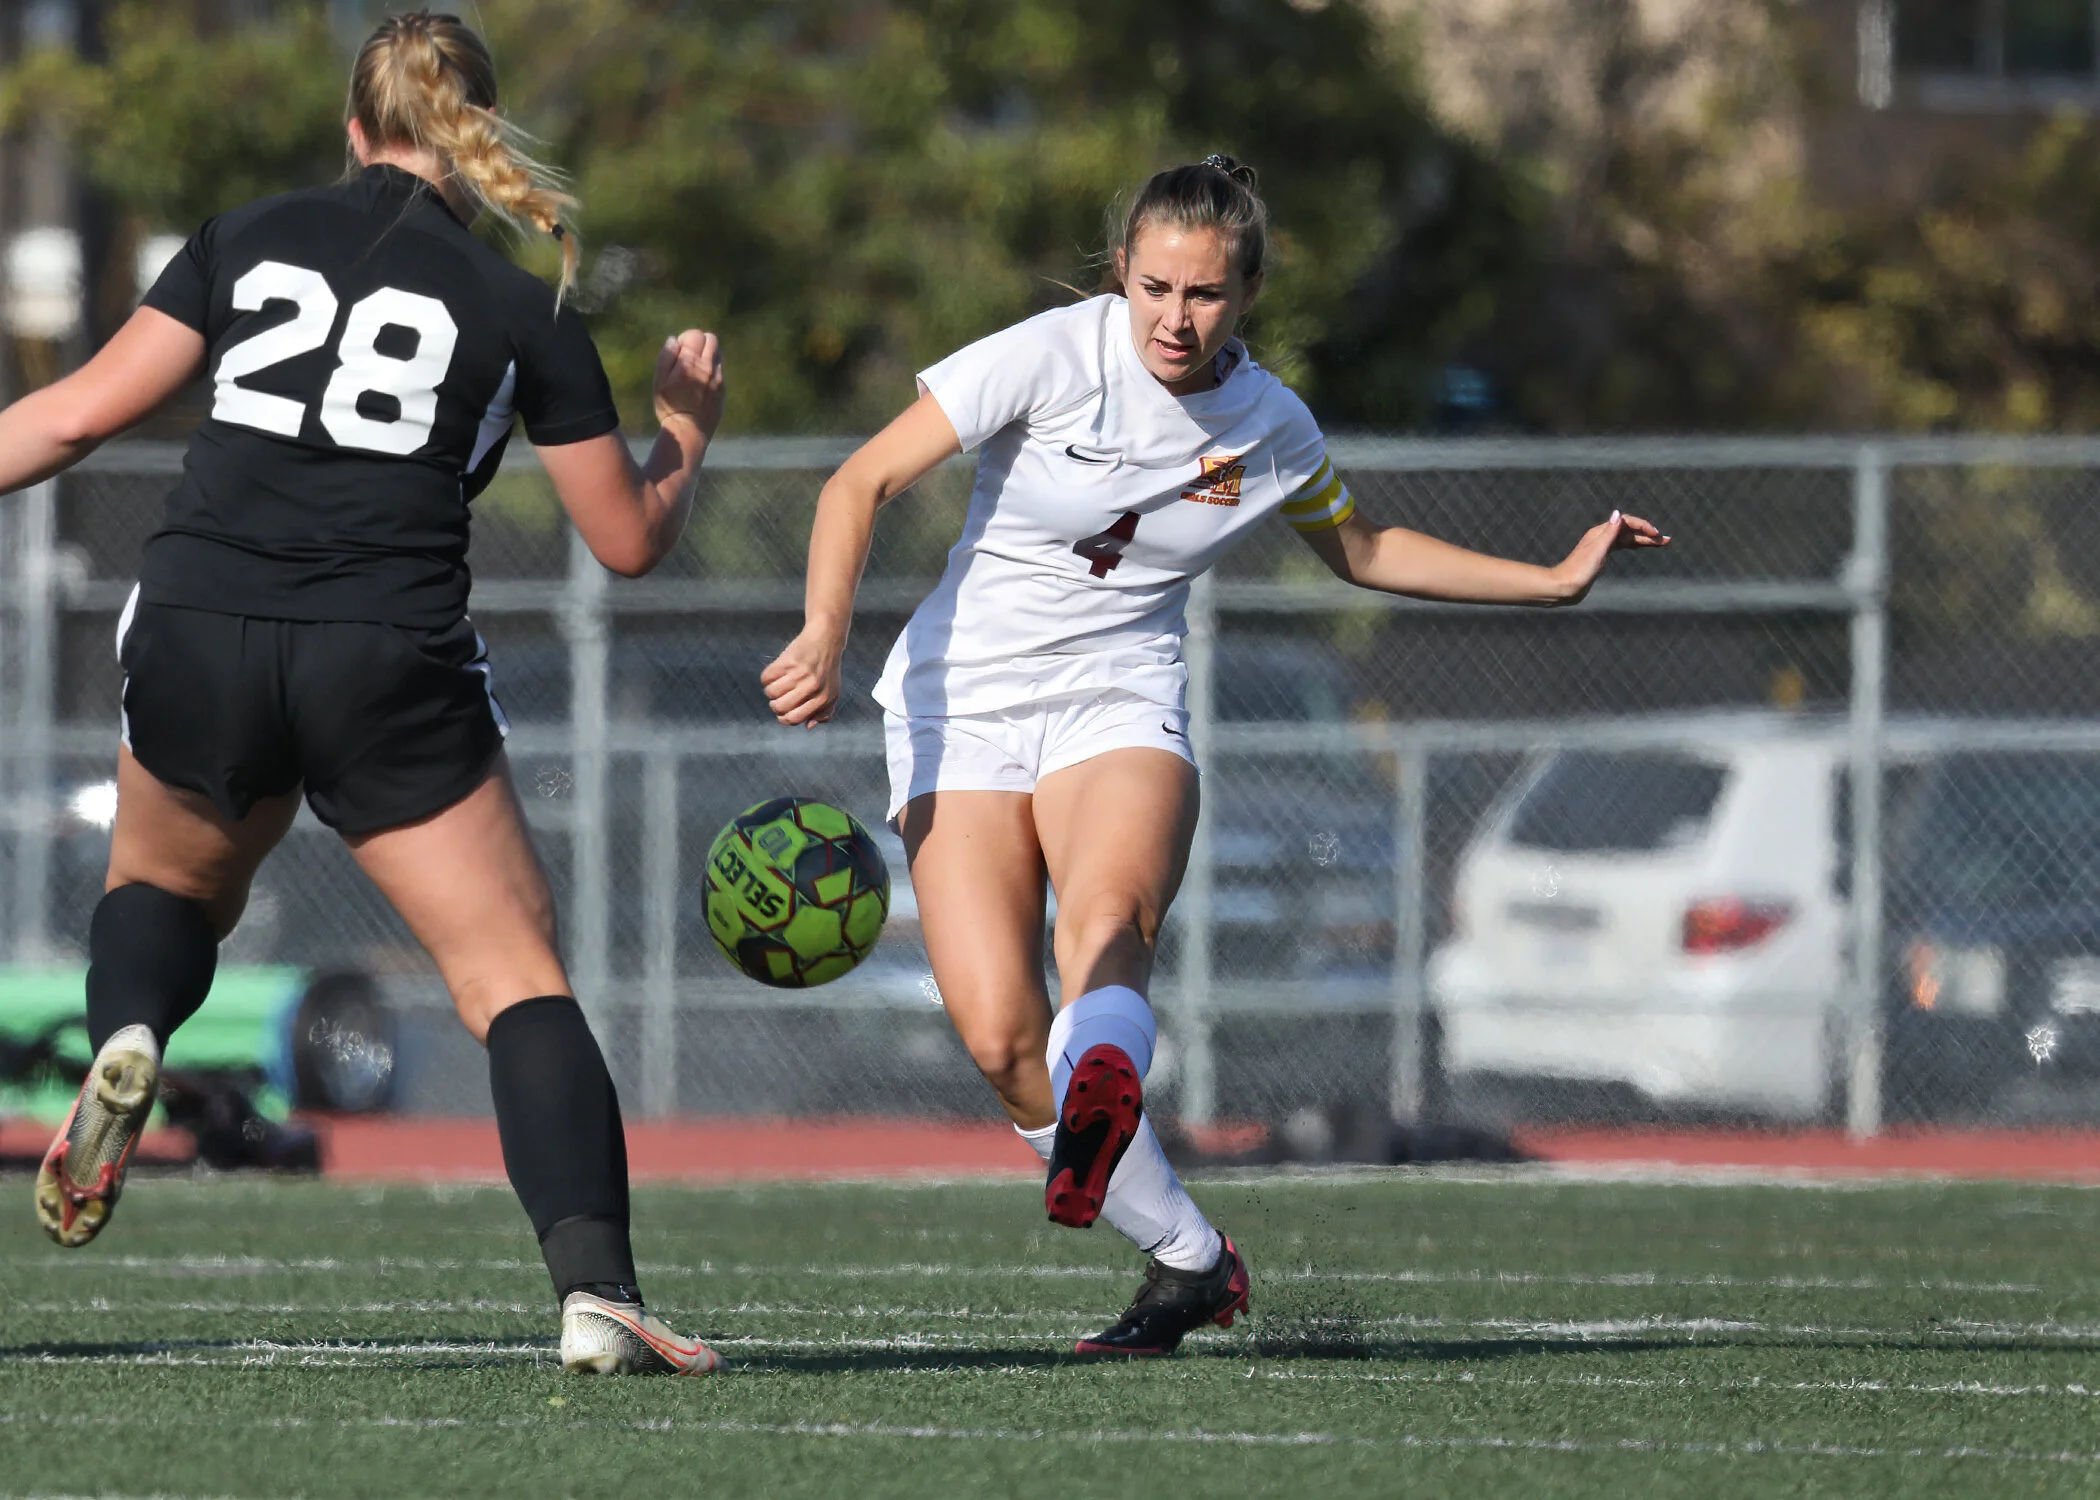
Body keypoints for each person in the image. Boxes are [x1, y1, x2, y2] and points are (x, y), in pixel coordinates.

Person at [762, 155, 1669, 1356]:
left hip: (1118, 701)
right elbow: (860, 479)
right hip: (961, 703)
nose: (1172, 319)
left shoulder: (1269, 422)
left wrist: (1552, 582)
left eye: (1202, 295)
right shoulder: (1049, 353)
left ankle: (1106, 1093)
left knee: (1110, 925)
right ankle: (1190, 1259)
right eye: (1152, 288)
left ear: (1245, 296)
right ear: (1118, 274)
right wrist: (824, 632)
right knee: (995, 1038)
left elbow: (1368, 547)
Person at [24, 11, 725, 1377]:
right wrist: (686, 431)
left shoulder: (241, 236)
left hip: (197, 623)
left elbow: (73, 417)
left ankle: (129, 1032)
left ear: (355, 127)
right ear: (476, 135)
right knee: (512, 977)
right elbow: (629, 542)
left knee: (164, 891)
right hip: (378, 651)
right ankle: (596, 1290)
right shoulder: (522, 309)